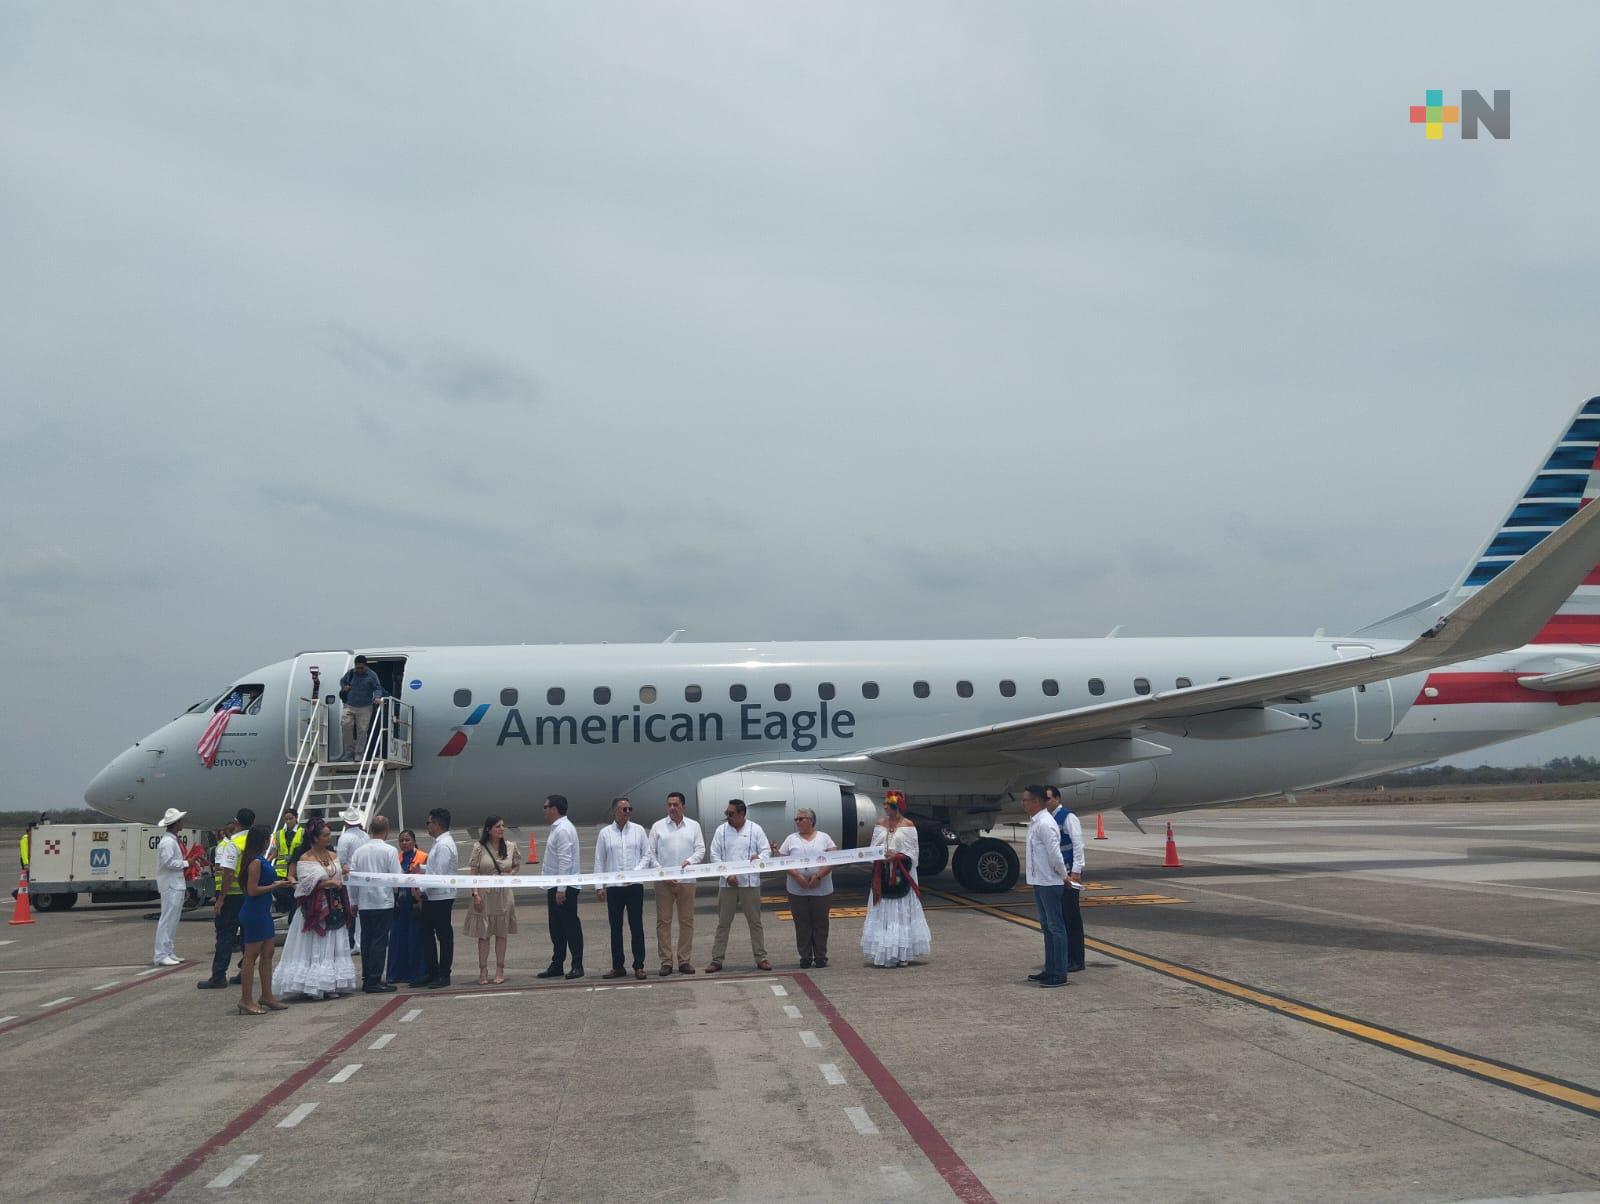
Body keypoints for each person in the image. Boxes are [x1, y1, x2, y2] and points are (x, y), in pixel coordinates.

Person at [272, 819, 358, 1000]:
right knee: (315, 943)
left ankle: (330, 983)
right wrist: (328, 882)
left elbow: (338, 875)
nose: (329, 838)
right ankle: (313, 983)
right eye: (325, 835)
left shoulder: (332, 855)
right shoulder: (305, 858)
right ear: (315, 838)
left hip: (334, 903)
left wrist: (343, 873)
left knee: (333, 941)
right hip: (314, 908)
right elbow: (305, 883)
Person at [860, 794, 932, 968]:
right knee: (883, 911)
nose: (884, 806)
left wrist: (898, 856)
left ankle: (902, 953)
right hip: (882, 872)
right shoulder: (880, 824)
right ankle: (885, 952)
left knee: (901, 913)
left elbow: (914, 854)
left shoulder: (908, 826)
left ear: (897, 806)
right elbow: (873, 848)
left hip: (902, 872)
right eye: (884, 803)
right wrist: (880, 857)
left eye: (888, 804)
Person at [704, 799, 773, 973]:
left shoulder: (755, 829)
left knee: (755, 922)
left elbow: (766, 851)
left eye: (731, 813)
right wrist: (727, 875)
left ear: (742, 814)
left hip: (750, 883)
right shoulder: (721, 831)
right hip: (727, 884)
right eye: (726, 813)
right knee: (723, 923)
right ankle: (717, 959)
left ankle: (761, 958)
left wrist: (760, 858)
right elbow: (715, 855)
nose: (727, 816)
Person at [647, 791, 704, 975]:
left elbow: (700, 849)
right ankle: (666, 961)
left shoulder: (693, 826)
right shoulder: (658, 826)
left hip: (686, 880)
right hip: (664, 882)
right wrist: (662, 873)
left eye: (676, 805)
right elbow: (651, 854)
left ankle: (684, 960)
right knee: (663, 921)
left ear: (683, 807)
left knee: (686, 921)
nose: (672, 808)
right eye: (669, 805)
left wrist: (691, 861)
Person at [237, 825, 293, 1013]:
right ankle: (246, 999)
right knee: (251, 955)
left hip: (263, 911)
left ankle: (266, 994)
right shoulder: (254, 862)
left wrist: (277, 883)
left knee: (268, 952)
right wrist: (274, 886)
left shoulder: (261, 859)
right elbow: (252, 890)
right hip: (254, 912)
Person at [595, 797, 652, 980]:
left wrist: (635, 873)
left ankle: (639, 965)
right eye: (624, 809)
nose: (627, 812)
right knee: (616, 928)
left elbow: (647, 854)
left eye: (629, 809)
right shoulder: (605, 833)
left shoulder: (638, 830)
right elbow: (599, 859)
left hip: (634, 886)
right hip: (614, 887)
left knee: (637, 926)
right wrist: (599, 886)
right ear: (615, 811)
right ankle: (618, 966)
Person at [198, 808, 255, 990]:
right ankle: (245, 972)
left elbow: (228, 873)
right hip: (250, 895)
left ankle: (218, 975)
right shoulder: (256, 841)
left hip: (232, 896)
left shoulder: (232, 843)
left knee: (225, 936)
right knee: (248, 935)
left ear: (237, 822)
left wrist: (221, 897)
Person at [464, 815, 524, 985]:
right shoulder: (479, 848)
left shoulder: (511, 847)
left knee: (501, 934)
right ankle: (483, 970)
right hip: (484, 895)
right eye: (497, 826)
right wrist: (475, 894)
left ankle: (500, 969)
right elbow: (473, 873)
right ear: (488, 829)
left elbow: (517, 864)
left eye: (503, 826)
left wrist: (510, 875)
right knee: (483, 935)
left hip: (503, 895)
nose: (501, 829)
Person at [349, 815, 403, 993]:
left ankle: (367, 977)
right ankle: (374, 979)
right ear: (387, 831)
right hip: (383, 902)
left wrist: (354, 901)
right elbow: (396, 878)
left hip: (365, 903)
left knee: (366, 940)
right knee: (380, 942)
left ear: (370, 830)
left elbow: (353, 879)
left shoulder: (359, 851)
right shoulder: (389, 851)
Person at [1022, 786, 1070, 988]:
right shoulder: (1035, 823)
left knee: (1056, 927)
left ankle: (1059, 973)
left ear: (1035, 801)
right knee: (1047, 927)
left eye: (1026, 800)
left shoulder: (1045, 824)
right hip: (1039, 881)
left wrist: (1064, 876)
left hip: (1050, 881)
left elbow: (1054, 854)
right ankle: (1050, 969)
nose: (1023, 803)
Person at [779, 808, 837, 969]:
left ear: (811, 820)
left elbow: (832, 859)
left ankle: (820, 956)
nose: (797, 822)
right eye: (796, 819)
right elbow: (783, 860)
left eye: (801, 819)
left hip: (821, 888)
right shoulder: (791, 839)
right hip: (797, 889)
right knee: (802, 923)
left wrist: (818, 876)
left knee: (820, 923)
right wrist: (797, 876)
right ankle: (805, 956)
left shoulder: (824, 838)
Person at [537, 795, 583, 981]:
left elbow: (566, 860)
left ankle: (577, 965)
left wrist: (561, 889)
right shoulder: (558, 828)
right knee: (556, 929)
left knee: (570, 927)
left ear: (554, 809)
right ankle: (557, 964)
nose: (544, 810)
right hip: (556, 885)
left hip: (564, 887)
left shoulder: (563, 829)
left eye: (545, 806)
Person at [414, 807, 458, 989]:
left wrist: (421, 888)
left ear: (436, 824)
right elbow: (435, 869)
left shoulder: (443, 845)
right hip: (434, 896)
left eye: (428, 822)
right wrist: (422, 870)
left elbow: (439, 875)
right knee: (426, 934)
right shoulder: (439, 843)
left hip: (440, 896)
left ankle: (443, 974)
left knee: (443, 935)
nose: (427, 826)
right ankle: (432, 971)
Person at [1046, 785, 1087, 972]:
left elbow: (1078, 845)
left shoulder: (1068, 817)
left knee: (1072, 918)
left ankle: (1076, 959)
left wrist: (1077, 871)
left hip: (1071, 873)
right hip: (1058, 875)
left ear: (1058, 799)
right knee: (1061, 917)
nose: (1046, 802)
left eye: (1048, 798)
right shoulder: (1049, 819)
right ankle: (1067, 956)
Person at [385, 829, 428, 984]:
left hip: (415, 902)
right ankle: (397, 974)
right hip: (400, 903)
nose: (404, 843)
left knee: (415, 938)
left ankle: (417, 973)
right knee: (398, 938)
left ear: (414, 841)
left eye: (407, 840)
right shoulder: (397, 858)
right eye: (402, 841)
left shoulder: (423, 857)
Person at [152, 807, 189, 967]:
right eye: (180, 821)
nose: (182, 823)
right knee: (167, 919)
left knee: (173, 919)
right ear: (176, 823)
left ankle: (168, 951)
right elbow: (168, 863)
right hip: (170, 884)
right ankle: (160, 954)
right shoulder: (168, 842)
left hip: (176, 883)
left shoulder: (173, 840)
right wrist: (187, 863)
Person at [338, 655, 386, 761]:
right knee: (345, 725)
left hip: (365, 707)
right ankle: (349, 751)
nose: (359, 670)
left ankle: (359, 753)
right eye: (357, 667)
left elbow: (377, 688)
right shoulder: (350, 673)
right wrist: (344, 687)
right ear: (355, 665)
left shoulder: (371, 675)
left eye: (361, 668)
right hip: (350, 705)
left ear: (365, 666)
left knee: (362, 730)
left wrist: (377, 697)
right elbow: (342, 681)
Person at [336, 807, 370, 950]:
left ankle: (355, 942)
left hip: (350, 876)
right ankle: (361, 940)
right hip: (364, 875)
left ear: (346, 822)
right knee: (362, 907)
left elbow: (341, 860)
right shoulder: (365, 836)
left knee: (351, 908)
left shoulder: (345, 838)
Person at [271, 808, 303, 916]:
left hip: (296, 870)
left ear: (296, 818)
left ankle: (291, 915)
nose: (288, 821)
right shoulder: (278, 834)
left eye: (291, 818)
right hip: (281, 870)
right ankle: (285, 907)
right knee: (279, 892)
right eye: (286, 819)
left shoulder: (302, 832)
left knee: (295, 895)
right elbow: (275, 851)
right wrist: (267, 861)